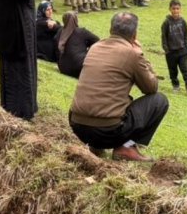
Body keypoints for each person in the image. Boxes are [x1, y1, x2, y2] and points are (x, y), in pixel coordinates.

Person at [69, 13, 169, 162]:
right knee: (159, 101)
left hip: (77, 126)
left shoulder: (95, 47)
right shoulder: (132, 53)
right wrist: (141, 55)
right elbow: (151, 88)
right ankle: (127, 146)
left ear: (111, 29)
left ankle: (96, 147)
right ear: (135, 34)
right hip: (107, 131)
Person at [161, 0, 187, 94]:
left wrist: (186, 48)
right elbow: (164, 37)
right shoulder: (166, 23)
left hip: (182, 51)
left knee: (185, 69)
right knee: (173, 70)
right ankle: (175, 85)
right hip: (171, 52)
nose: (175, 11)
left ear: (180, 9)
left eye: (177, 8)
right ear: (170, 9)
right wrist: (166, 50)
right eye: (173, 8)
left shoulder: (183, 21)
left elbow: (186, 35)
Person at [57, 11, 100, 78]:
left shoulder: (60, 32)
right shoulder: (81, 31)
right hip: (79, 67)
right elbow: (97, 40)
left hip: (63, 67)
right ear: (75, 20)